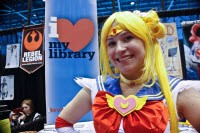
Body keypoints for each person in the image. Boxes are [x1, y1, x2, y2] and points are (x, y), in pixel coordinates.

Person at [55, 10, 200, 133]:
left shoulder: (177, 91)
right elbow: (63, 122)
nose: (119, 49)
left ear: (147, 41)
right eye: (111, 43)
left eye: (128, 38)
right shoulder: (97, 88)